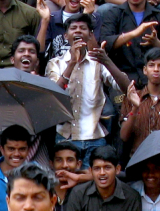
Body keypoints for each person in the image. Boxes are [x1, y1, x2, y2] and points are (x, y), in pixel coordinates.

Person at [48, 12, 129, 163]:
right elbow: (52, 96)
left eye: (83, 28)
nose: (78, 31)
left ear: (90, 34)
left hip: (95, 139)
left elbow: (126, 88)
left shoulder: (98, 62)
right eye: (74, 28)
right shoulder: (56, 63)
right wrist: (72, 63)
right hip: (65, 138)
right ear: (66, 35)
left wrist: (107, 61)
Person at [119, 49, 160, 152]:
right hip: (138, 156)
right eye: (151, 65)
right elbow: (124, 136)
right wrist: (135, 108)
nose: (156, 69)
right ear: (145, 70)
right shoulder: (132, 97)